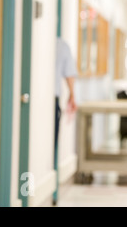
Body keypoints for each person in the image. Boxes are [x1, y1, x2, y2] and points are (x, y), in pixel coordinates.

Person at [53, 37, 77, 205]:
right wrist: (72, 95)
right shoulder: (61, 45)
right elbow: (69, 74)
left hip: (48, 101)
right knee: (51, 144)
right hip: (52, 100)